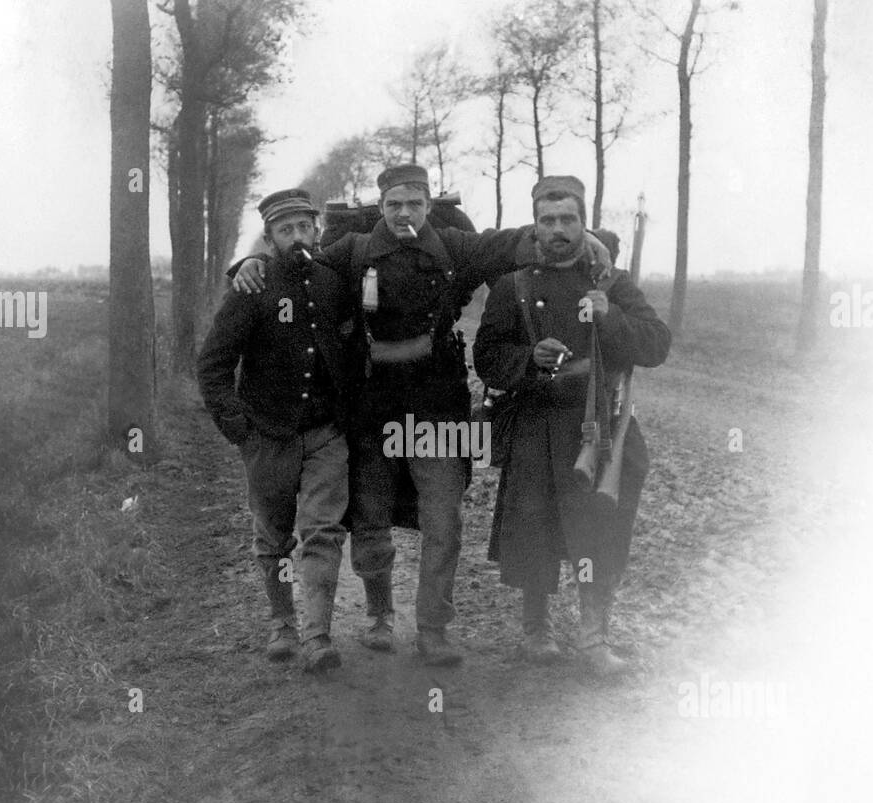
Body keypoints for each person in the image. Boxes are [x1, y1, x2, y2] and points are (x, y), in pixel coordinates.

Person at [231, 164, 613, 667]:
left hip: (439, 410)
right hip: (372, 411)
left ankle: (434, 629)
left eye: (414, 203)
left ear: (429, 204)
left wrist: (594, 237)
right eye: (393, 205)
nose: (404, 213)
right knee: (370, 521)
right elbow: (294, 260)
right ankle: (379, 616)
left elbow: (518, 240)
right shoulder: (355, 251)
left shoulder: (456, 247)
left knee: (444, 522)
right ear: (382, 206)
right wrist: (244, 265)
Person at [472, 176, 671, 675]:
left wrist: (610, 319)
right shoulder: (511, 286)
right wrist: (527, 360)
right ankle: (535, 633)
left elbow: (656, 346)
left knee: (600, 529)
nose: (558, 229)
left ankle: (592, 639)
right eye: (548, 220)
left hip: (599, 426)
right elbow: (488, 357)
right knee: (533, 528)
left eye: (568, 219)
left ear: (584, 224)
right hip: (537, 423)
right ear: (534, 225)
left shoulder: (613, 284)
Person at [197, 188, 358, 674]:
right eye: (285, 230)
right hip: (267, 437)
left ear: (317, 229)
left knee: (323, 531)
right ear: (270, 238)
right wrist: (239, 430)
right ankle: (283, 623)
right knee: (273, 538)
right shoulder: (252, 287)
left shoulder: (334, 282)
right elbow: (213, 366)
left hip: (326, 434)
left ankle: (318, 635)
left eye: (304, 227)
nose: (297, 237)